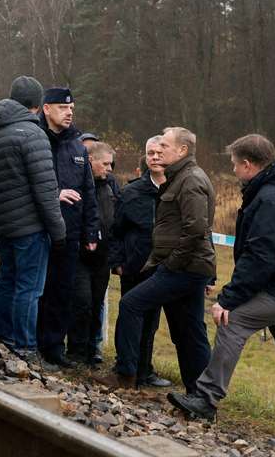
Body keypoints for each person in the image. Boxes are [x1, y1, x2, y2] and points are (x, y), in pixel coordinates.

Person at [168, 134, 275, 456]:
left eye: (234, 164)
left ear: (247, 164)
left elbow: (261, 256)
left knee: (233, 320)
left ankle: (205, 399)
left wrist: (228, 299)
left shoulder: (272, 198)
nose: (232, 170)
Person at [106, 126, 215, 390]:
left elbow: (197, 229)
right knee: (187, 330)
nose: (158, 152)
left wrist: (171, 263)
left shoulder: (190, 180)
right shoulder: (178, 178)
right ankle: (198, 393)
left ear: (182, 150)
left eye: (164, 146)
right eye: (154, 149)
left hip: (183, 267)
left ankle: (126, 375)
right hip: (179, 265)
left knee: (133, 305)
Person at [0, 76, 65, 366]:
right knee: (29, 288)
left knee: (6, 280)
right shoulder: (33, 135)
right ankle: (25, 347)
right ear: (37, 104)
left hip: (3, 222)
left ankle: (3, 336)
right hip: (30, 226)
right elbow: (45, 189)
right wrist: (58, 230)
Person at [36, 87, 98, 368]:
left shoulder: (77, 146)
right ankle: (31, 343)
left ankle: (54, 348)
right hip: (40, 229)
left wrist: (90, 230)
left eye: (71, 108)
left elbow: (88, 191)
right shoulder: (36, 140)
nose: (69, 112)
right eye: (63, 107)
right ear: (47, 108)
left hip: (70, 233)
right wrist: (55, 195)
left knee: (63, 292)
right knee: (38, 290)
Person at [108, 137, 173, 388]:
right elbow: (116, 230)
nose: (155, 157)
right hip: (135, 266)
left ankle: (145, 371)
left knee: (152, 323)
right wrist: (117, 262)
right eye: (150, 153)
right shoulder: (131, 192)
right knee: (130, 318)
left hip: (166, 268)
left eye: (159, 153)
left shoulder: (179, 190)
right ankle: (125, 369)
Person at [70, 141, 117, 365]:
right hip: (81, 255)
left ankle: (92, 349)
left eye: (111, 164)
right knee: (82, 302)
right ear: (91, 161)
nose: (109, 169)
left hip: (103, 257)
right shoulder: (77, 185)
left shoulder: (109, 186)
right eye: (105, 164)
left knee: (97, 303)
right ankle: (76, 351)